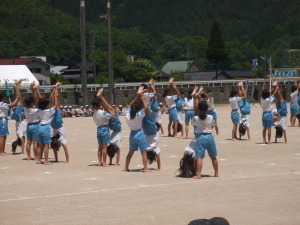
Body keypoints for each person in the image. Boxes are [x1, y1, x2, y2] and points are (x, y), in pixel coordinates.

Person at [191, 89, 219, 179]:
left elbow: (193, 124)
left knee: (200, 156)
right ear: (207, 109)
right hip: (210, 136)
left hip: (201, 137)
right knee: (213, 156)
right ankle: (216, 173)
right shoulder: (210, 116)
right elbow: (213, 125)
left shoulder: (196, 118)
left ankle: (199, 174)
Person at [124, 86, 151, 172]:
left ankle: (126, 167)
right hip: (139, 133)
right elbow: (146, 107)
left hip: (132, 134)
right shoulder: (138, 115)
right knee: (143, 152)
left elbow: (129, 106)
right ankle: (145, 168)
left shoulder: (127, 115)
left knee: (130, 152)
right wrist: (141, 97)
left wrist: (137, 96)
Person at [31, 81, 56, 165]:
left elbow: (38, 100)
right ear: (47, 105)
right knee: (46, 145)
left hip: (39, 127)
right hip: (46, 128)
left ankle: (39, 160)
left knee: (40, 145)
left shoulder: (38, 110)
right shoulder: (49, 111)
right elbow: (55, 104)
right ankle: (46, 160)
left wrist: (35, 90)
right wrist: (55, 92)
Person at [92, 88, 114, 167]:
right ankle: (104, 162)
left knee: (100, 147)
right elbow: (112, 117)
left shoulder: (94, 114)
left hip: (98, 129)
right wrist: (110, 110)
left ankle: (99, 162)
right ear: (99, 104)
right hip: (104, 128)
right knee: (104, 147)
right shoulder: (102, 112)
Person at [50, 83, 70, 163]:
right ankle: (55, 88)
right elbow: (63, 148)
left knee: (55, 102)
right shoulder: (58, 140)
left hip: (56, 125)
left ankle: (56, 88)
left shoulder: (58, 139)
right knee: (55, 102)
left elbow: (64, 149)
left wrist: (66, 160)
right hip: (56, 124)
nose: (59, 148)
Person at [0, 82, 20, 156]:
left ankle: (2, 150)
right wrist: (17, 99)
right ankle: (1, 151)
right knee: (2, 136)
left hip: (3, 120)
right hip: (2, 120)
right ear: (3, 98)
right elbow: (11, 105)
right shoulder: (1, 104)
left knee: (4, 135)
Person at [11, 79, 26, 154]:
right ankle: (17, 85)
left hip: (19, 120)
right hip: (20, 120)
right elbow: (23, 139)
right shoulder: (19, 134)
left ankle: (17, 85)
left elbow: (22, 139)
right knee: (19, 99)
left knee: (19, 98)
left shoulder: (18, 134)